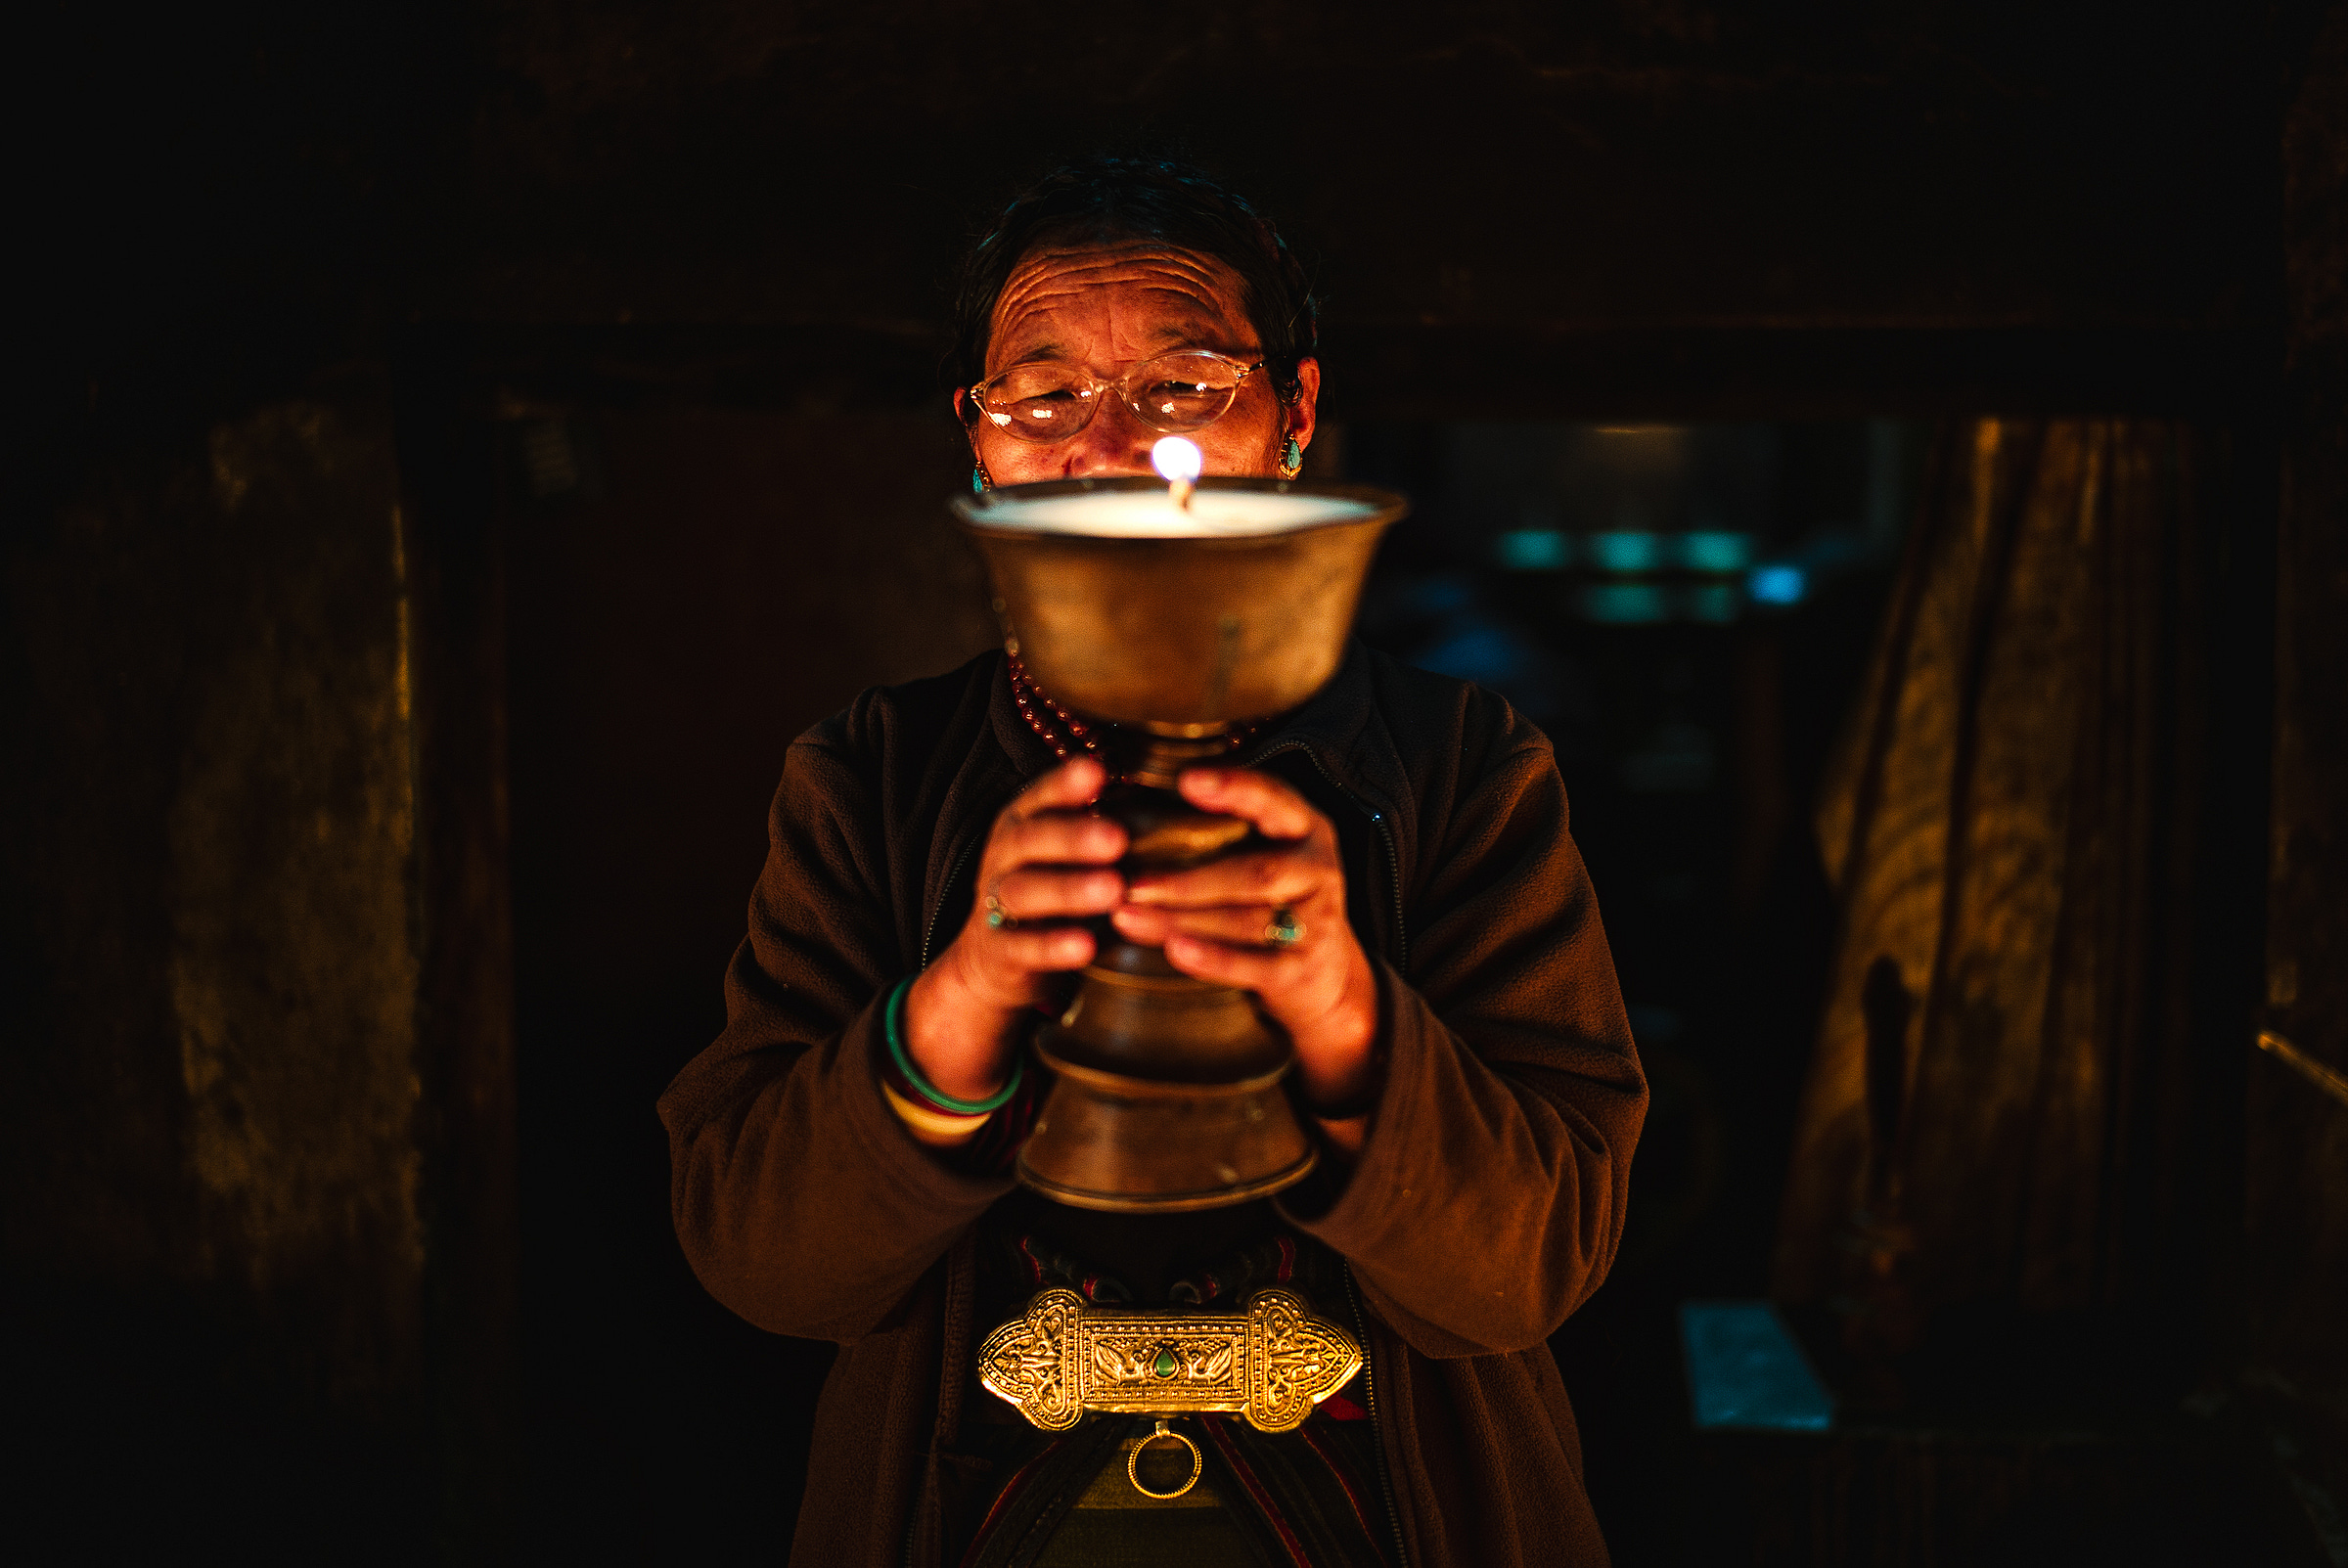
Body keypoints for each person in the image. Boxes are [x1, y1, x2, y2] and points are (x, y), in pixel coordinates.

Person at [658, 157, 1648, 1567]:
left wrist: (1339, 1007)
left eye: (1182, 388)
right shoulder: (871, 777)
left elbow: (1535, 1268)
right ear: (977, 442)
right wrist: (967, 996)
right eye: (1043, 394)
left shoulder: (1460, 768)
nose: (1113, 449)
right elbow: (761, 1262)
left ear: (1294, 414)